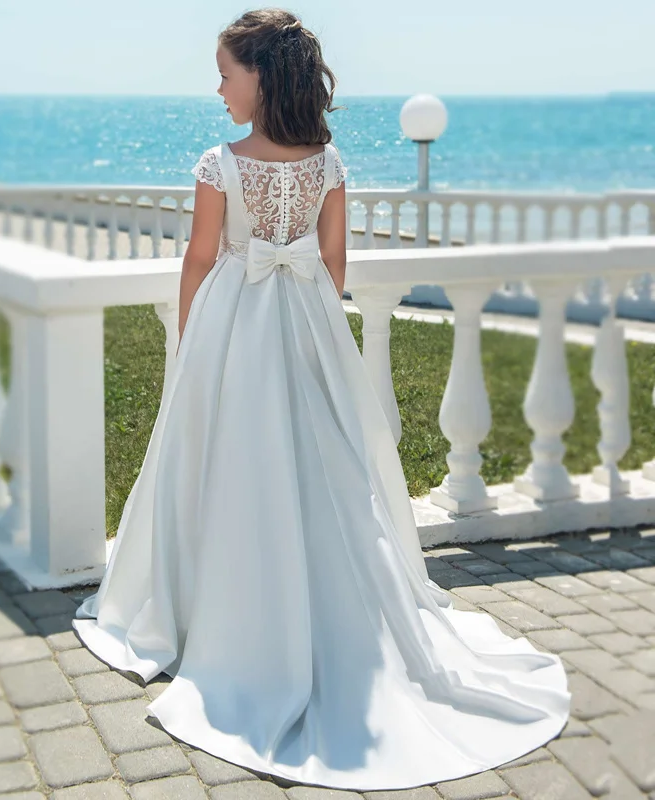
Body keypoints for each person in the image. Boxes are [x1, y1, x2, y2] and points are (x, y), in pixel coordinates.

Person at [73, 8, 572, 791]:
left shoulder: (218, 164)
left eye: (227, 74)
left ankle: (220, 614)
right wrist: (295, 286)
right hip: (306, 325)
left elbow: (199, 262)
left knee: (226, 461)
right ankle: (327, 614)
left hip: (234, 327)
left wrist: (189, 346)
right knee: (320, 467)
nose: (218, 88)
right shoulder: (329, 163)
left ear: (261, 78)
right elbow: (335, 269)